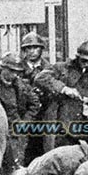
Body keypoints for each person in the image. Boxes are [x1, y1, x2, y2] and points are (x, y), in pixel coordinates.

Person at [35, 40, 88, 152]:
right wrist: (64, 89)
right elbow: (40, 78)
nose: (87, 64)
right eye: (84, 61)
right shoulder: (62, 68)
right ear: (78, 58)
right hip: (65, 130)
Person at [0, 52, 42, 171]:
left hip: (16, 133)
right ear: (2, 68)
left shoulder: (21, 85)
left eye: (17, 72)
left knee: (16, 167)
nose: (14, 74)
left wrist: (25, 122)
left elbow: (35, 104)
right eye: (11, 71)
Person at [19, 32, 51, 164]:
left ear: (41, 49)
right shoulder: (19, 67)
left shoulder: (48, 68)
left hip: (44, 113)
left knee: (44, 147)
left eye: (35, 48)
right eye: (28, 48)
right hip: (25, 112)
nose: (32, 52)